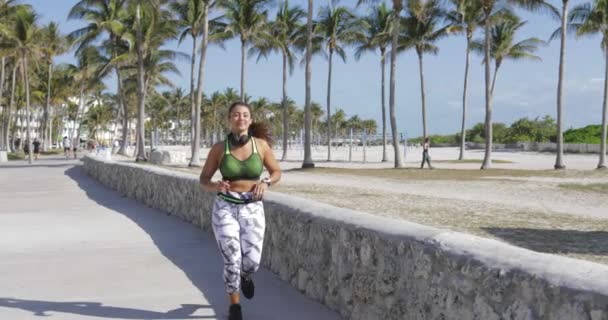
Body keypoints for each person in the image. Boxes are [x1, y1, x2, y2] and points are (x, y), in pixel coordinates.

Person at [199, 102, 281, 320]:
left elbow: (276, 171)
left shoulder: (261, 146)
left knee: (252, 261)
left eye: (245, 115)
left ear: (250, 120)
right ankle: (235, 306)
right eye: (236, 115)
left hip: (252, 206)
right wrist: (215, 185)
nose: (241, 118)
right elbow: (203, 179)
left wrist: (266, 182)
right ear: (229, 119)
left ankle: (246, 275)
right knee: (231, 259)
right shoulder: (219, 148)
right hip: (225, 206)